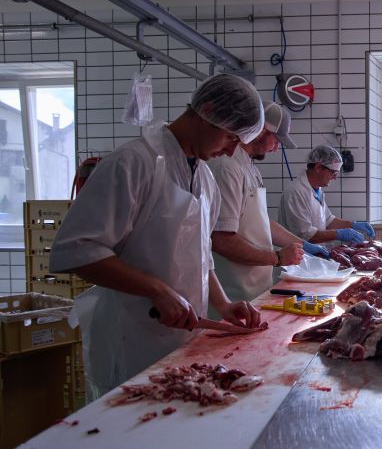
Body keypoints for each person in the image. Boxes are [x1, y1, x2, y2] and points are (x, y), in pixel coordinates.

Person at [50, 73, 265, 399]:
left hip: (182, 338)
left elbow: (201, 253)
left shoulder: (205, 177)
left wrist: (222, 303)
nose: (233, 150)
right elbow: (75, 249)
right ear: (207, 112)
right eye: (231, 137)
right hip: (131, 336)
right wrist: (156, 290)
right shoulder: (133, 163)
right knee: (129, 433)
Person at [209, 101, 330, 304]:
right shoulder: (226, 167)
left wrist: (302, 244)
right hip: (232, 289)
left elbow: (263, 221)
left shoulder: (249, 167)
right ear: (261, 131)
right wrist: (277, 258)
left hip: (255, 282)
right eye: (276, 141)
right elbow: (222, 239)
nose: (276, 149)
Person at [278, 145, 374, 245]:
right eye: (333, 173)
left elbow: (328, 220)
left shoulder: (317, 189)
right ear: (318, 167)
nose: (334, 178)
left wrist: (353, 225)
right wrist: (338, 234)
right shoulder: (296, 192)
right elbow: (305, 235)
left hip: (314, 254)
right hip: (297, 257)